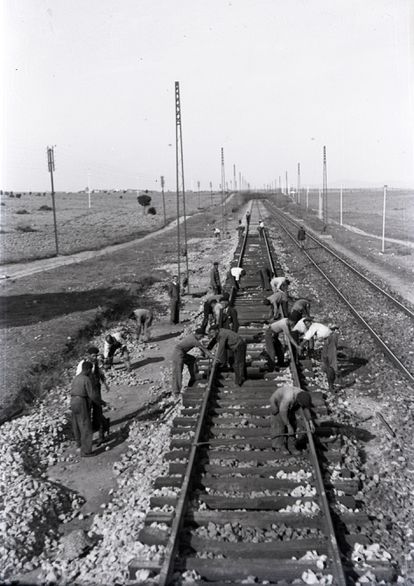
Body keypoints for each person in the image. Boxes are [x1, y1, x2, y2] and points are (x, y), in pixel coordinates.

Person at [77, 346, 110, 446]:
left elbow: (100, 373)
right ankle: (86, 436)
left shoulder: (96, 363)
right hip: (87, 392)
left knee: (98, 411)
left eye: (96, 355)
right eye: (93, 355)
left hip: (96, 390)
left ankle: (101, 435)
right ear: (88, 355)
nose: (95, 357)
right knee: (86, 413)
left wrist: (105, 384)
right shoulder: (83, 364)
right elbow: (79, 378)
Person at [269, 384, 315, 453]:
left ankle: (291, 445)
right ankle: (280, 446)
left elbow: (305, 408)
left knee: (293, 423)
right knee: (279, 424)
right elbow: (283, 412)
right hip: (277, 403)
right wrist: (288, 425)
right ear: (298, 401)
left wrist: (311, 422)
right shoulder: (288, 398)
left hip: (289, 406)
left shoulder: (303, 394)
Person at [171, 328, 214, 395]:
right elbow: (203, 349)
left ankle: (193, 377)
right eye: (201, 336)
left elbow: (202, 349)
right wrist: (212, 356)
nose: (201, 338)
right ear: (197, 334)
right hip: (178, 354)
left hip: (182, 352)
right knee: (178, 371)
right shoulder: (194, 340)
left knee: (192, 360)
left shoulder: (193, 336)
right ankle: (176, 391)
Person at [70, 361, 97, 457]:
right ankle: (86, 451)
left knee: (76, 423)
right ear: (89, 370)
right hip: (81, 401)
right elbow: (92, 395)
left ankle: (79, 444)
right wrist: (101, 402)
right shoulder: (86, 379)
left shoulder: (76, 378)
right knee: (86, 426)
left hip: (73, 401)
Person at [321, 324, 340, 391]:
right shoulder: (334, 336)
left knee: (329, 369)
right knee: (331, 370)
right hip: (329, 356)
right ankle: (331, 387)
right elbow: (333, 350)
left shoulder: (328, 335)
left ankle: (330, 386)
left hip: (325, 355)